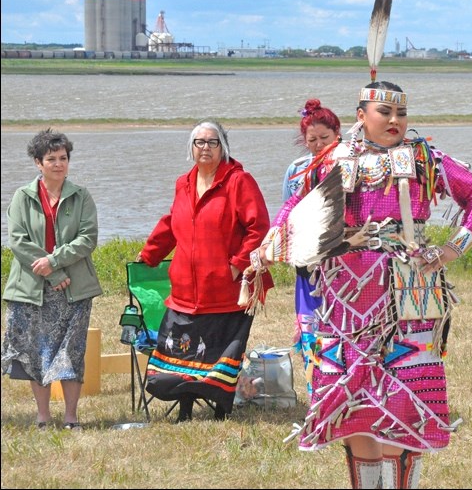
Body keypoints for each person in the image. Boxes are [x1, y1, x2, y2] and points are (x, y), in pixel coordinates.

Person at [250, 81, 472, 488]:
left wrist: (453, 248)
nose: (396, 121)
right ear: (361, 115)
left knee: (407, 400)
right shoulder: (332, 160)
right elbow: (293, 210)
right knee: (353, 407)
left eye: (401, 113)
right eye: (385, 113)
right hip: (345, 298)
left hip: (408, 296)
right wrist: (268, 247)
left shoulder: (422, 158)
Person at [135, 120, 273, 422]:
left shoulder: (239, 181)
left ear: (223, 147)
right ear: (191, 148)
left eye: (212, 142)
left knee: (219, 353)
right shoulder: (183, 183)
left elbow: (259, 227)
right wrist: (150, 254)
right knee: (181, 353)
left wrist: (238, 265)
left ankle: (221, 409)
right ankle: (184, 408)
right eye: (199, 142)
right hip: (185, 289)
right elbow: (173, 223)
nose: (205, 148)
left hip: (225, 290)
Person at [1, 128, 103, 431]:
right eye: (51, 158)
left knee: (72, 354)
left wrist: (54, 261)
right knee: (35, 354)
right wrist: (52, 272)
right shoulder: (22, 196)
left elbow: (88, 239)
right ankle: (43, 416)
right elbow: (18, 241)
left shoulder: (82, 196)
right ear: (38, 162)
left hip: (74, 290)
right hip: (32, 289)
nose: (59, 164)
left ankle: (71, 417)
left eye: (63, 158)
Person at [282, 99, 341, 397]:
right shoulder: (296, 171)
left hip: (343, 264)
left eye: (325, 138)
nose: (319, 145)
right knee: (310, 330)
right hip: (307, 264)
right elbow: (287, 213)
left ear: (338, 134)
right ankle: (316, 394)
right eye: (312, 140)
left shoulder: (352, 165)